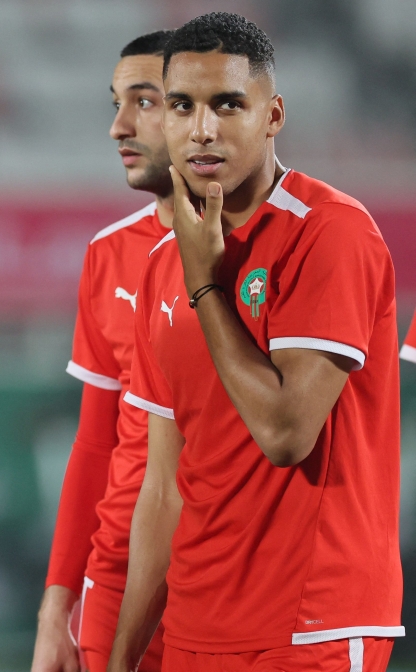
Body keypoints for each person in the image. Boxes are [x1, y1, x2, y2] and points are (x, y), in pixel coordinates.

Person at [108, 12, 403, 672]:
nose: (202, 128)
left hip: (313, 626)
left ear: (273, 116)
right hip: (194, 628)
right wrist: (122, 657)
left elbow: (285, 434)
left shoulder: (330, 234)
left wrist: (205, 285)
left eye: (227, 105)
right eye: (181, 106)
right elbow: (164, 489)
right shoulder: (163, 262)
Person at [31, 30, 174, 672]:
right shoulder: (108, 252)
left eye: (143, 101)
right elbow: (95, 444)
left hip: (235, 576)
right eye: (115, 103)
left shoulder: (285, 247)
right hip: (113, 583)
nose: (118, 126)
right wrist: (55, 609)